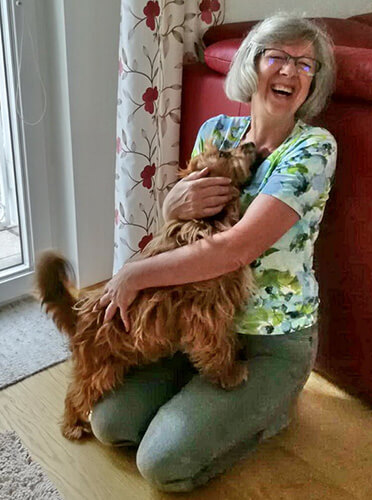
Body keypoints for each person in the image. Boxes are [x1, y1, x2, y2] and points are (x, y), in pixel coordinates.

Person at [91, 13, 337, 492]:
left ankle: (273, 408)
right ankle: (206, 401)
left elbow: (234, 248)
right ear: (253, 64)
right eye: (278, 57)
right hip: (199, 326)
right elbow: (187, 230)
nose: (290, 71)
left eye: (305, 65)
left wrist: (132, 275)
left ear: (313, 82)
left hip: (271, 341)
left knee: (161, 464)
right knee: (109, 422)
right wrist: (170, 204)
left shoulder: (313, 148)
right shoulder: (216, 132)